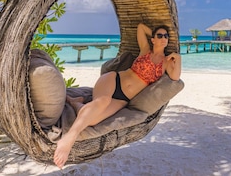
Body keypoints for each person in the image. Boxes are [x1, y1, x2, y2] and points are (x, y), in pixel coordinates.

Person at [53, 23, 182, 168]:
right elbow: (140, 27)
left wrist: (178, 57)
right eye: (160, 35)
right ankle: (69, 138)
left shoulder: (166, 62)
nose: (164, 38)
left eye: (166, 36)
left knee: (93, 120)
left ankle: (77, 102)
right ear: (153, 39)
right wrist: (153, 32)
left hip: (122, 99)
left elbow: (175, 78)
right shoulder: (145, 50)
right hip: (113, 80)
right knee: (103, 101)